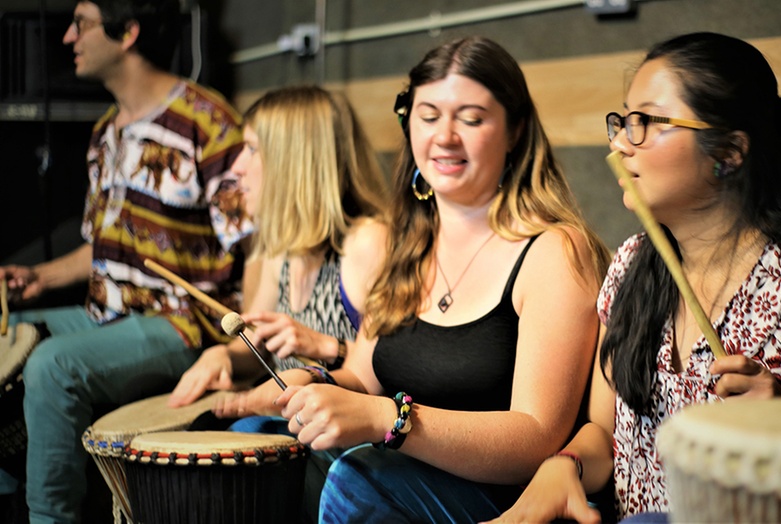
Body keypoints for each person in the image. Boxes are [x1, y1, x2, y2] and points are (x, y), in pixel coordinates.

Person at [216, 36, 611, 523]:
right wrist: (315, 382)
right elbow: (362, 375)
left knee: (357, 478)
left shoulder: (553, 251)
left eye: (470, 118)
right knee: (258, 436)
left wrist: (391, 420)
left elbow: (536, 438)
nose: (444, 137)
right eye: (428, 116)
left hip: (513, 498)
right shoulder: (407, 243)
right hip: (402, 468)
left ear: (515, 131)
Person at [488, 32, 781, 523]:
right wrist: (566, 464)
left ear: (729, 152)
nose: (622, 144)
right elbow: (603, 434)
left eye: (645, 121)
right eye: (623, 121)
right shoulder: (630, 265)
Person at [0, 1, 255, 522]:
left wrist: (239, 350)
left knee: (53, 365)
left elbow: (254, 245)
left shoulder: (206, 122)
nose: (68, 38)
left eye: (82, 24)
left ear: (128, 32)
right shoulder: (106, 134)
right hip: (105, 312)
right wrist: (38, 277)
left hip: (180, 323)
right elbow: (105, 246)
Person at [167, 85, 389, 522]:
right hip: (291, 429)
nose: (237, 167)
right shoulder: (278, 248)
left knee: (244, 442)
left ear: (293, 161)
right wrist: (227, 355)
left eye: (251, 149)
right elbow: (261, 350)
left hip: (347, 441)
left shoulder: (366, 244)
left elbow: (387, 373)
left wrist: (326, 349)